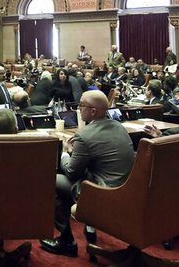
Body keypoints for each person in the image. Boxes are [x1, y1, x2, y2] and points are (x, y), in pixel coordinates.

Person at [41, 91, 134, 257]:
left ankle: (66, 241)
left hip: (103, 194)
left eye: (81, 105)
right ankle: (87, 226)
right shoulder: (120, 127)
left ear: (93, 111)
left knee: (49, 180)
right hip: (128, 191)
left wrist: (65, 152)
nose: (78, 109)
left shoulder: (84, 136)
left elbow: (71, 172)